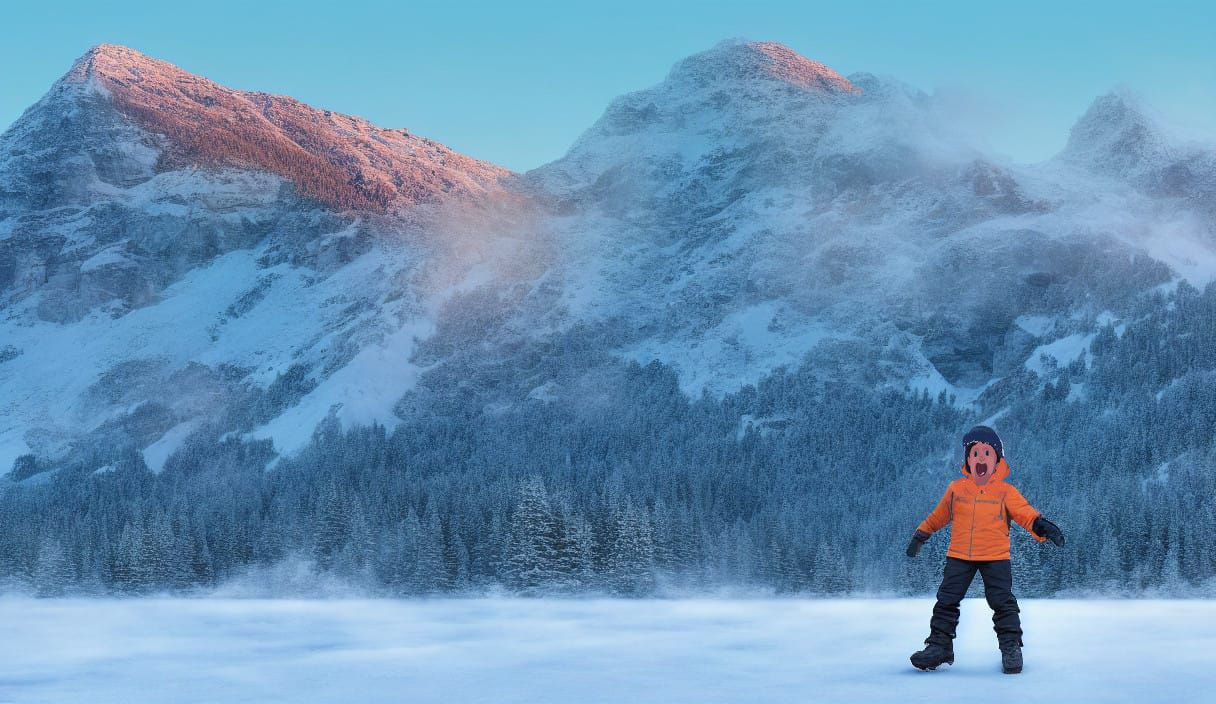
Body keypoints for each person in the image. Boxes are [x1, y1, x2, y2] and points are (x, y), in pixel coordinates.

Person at [905, 424, 1064, 674]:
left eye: (987, 453)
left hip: (995, 557)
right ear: (968, 460)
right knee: (946, 601)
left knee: (1002, 603)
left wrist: (1042, 526)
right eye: (975, 453)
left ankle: (1011, 648)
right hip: (960, 556)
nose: (981, 458)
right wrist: (921, 534)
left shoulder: (1005, 491)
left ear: (997, 461)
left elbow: (1024, 513)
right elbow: (938, 516)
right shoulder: (956, 489)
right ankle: (939, 646)